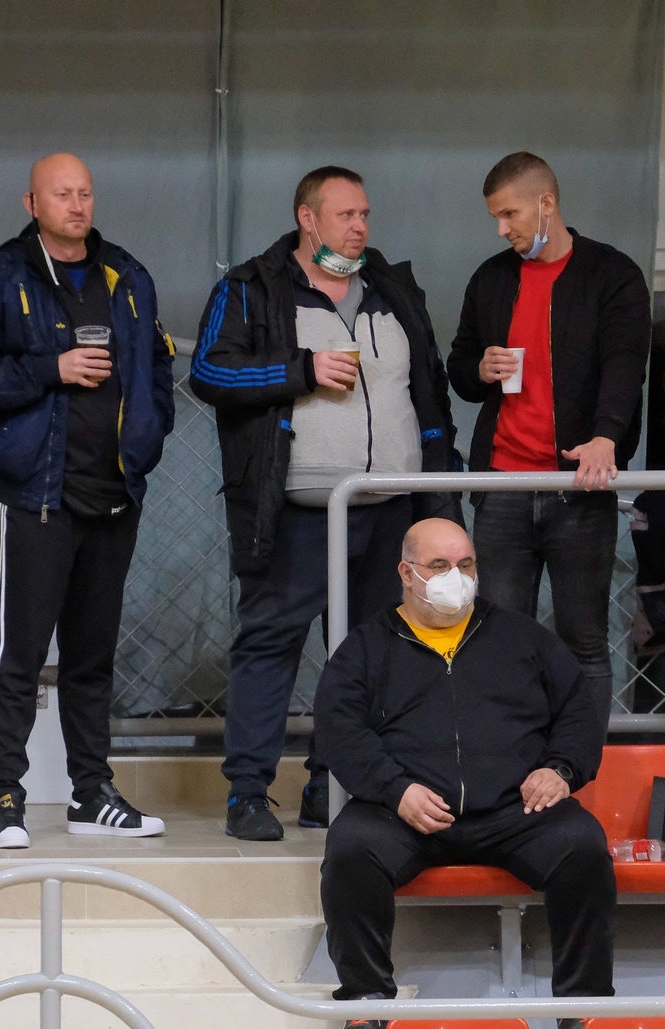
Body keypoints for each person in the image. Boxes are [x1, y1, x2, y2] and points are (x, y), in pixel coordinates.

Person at [189, 166, 462, 841]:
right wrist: (300, 371)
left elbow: (428, 393)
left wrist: (438, 489)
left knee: (371, 653)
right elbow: (209, 372)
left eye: (364, 214)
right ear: (306, 219)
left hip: (390, 506)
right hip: (298, 509)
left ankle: (329, 785)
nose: (360, 226)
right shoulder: (253, 288)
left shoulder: (393, 290)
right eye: (345, 215)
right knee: (270, 645)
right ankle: (248, 794)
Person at [0, 153, 175, 846]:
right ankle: (6, 799)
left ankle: (91, 794)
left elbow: (157, 363)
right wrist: (54, 368)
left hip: (114, 493)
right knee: (18, 656)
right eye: (62, 194)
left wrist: (150, 433)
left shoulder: (127, 276)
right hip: (36, 498)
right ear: (32, 203)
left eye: (85, 193)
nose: (77, 205)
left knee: (92, 658)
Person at [315, 519, 616, 1029]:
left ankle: (584, 1005)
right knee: (350, 849)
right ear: (406, 573)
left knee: (582, 845)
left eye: (466, 564)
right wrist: (395, 789)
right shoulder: (365, 647)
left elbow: (578, 711)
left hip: (515, 811)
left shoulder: (523, 637)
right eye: (439, 566)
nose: (456, 577)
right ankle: (365, 1002)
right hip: (406, 813)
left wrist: (561, 769)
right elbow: (341, 731)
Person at [446, 151, 651, 746]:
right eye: (494, 217)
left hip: (578, 488)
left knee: (583, 640)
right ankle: (509, 769)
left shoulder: (612, 274)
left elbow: (625, 366)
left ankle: (575, 771)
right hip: (501, 486)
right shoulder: (491, 278)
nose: (500, 229)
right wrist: (478, 368)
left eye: (508, 214)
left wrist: (606, 438)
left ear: (547, 203)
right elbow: (458, 366)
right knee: (498, 641)